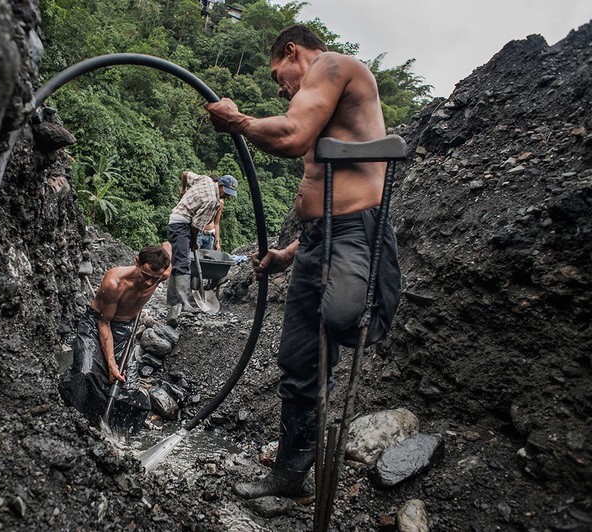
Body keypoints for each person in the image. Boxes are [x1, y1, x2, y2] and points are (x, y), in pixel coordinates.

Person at [205, 25, 401, 499]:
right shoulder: (323, 93)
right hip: (318, 241)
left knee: (342, 317)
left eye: (279, 74)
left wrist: (240, 121)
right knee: (297, 363)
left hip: (356, 235)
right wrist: (288, 255)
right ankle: (291, 478)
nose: (280, 86)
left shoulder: (334, 66)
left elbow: (293, 136)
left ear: (292, 51)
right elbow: (321, 201)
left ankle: (375, 295)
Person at [59, 243, 172, 433]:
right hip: (97, 325)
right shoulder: (115, 282)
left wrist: (168, 245)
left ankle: (117, 435)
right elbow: (104, 324)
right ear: (137, 262)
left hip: (125, 329)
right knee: (87, 374)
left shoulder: (162, 273)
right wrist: (111, 365)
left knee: (128, 390)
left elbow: (169, 248)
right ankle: (75, 423)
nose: (149, 283)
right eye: (145, 275)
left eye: (155, 278)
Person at [166, 171, 237, 324]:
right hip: (182, 225)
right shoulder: (213, 201)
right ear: (220, 186)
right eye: (227, 192)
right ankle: (184, 304)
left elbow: (185, 174)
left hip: (175, 221)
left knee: (177, 261)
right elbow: (196, 226)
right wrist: (193, 242)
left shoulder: (205, 179)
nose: (227, 196)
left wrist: (183, 189)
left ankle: (172, 302)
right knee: (183, 263)